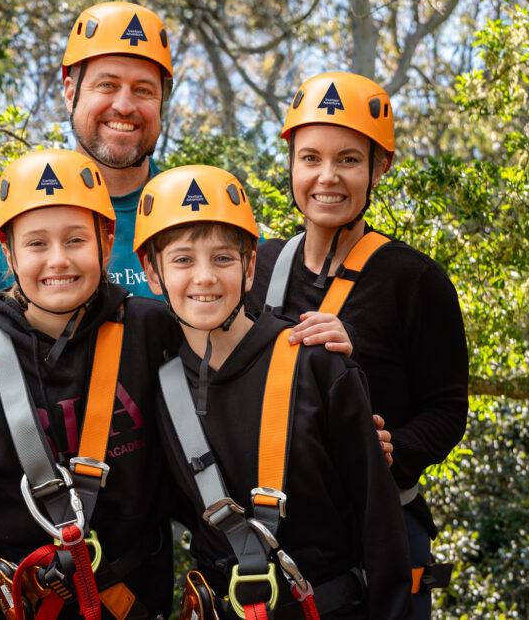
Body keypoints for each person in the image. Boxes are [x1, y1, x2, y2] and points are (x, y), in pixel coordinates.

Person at [0, 149, 182, 619]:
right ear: (7, 253)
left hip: (137, 603)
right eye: (36, 244)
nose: (58, 260)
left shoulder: (152, 334)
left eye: (76, 239)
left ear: (107, 239)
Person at [133, 165, 413, 619]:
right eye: (183, 259)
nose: (204, 277)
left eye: (223, 258)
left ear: (249, 268)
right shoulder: (158, 382)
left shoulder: (316, 364)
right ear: (152, 272)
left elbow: (379, 526)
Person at [244, 72, 469, 618]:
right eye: (311, 158)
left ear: (379, 166)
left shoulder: (414, 280)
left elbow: (447, 408)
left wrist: (397, 450)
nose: (327, 177)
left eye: (348, 159)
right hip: (276, 543)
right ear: (291, 162)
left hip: (383, 538)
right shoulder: (257, 266)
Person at [0, 1, 176, 408]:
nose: (124, 106)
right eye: (106, 85)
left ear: (161, 102)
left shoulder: (197, 213)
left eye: (143, 90)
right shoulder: (8, 215)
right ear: (70, 90)